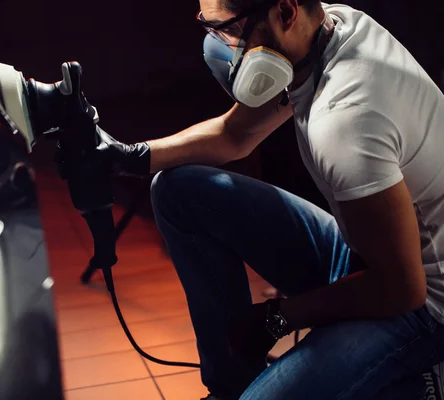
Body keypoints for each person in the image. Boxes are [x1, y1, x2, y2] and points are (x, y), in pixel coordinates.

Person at [54, 0, 444, 398]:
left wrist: (279, 318)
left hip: (422, 306)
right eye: (210, 29)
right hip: (369, 251)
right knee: (177, 192)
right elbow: (234, 134)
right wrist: (128, 156)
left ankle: (422, 381)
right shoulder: (329, 28)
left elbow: (403, 287)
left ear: (285, 13)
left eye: (228, 30)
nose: (220, 46)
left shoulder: (348, 118)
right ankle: (229, 388)